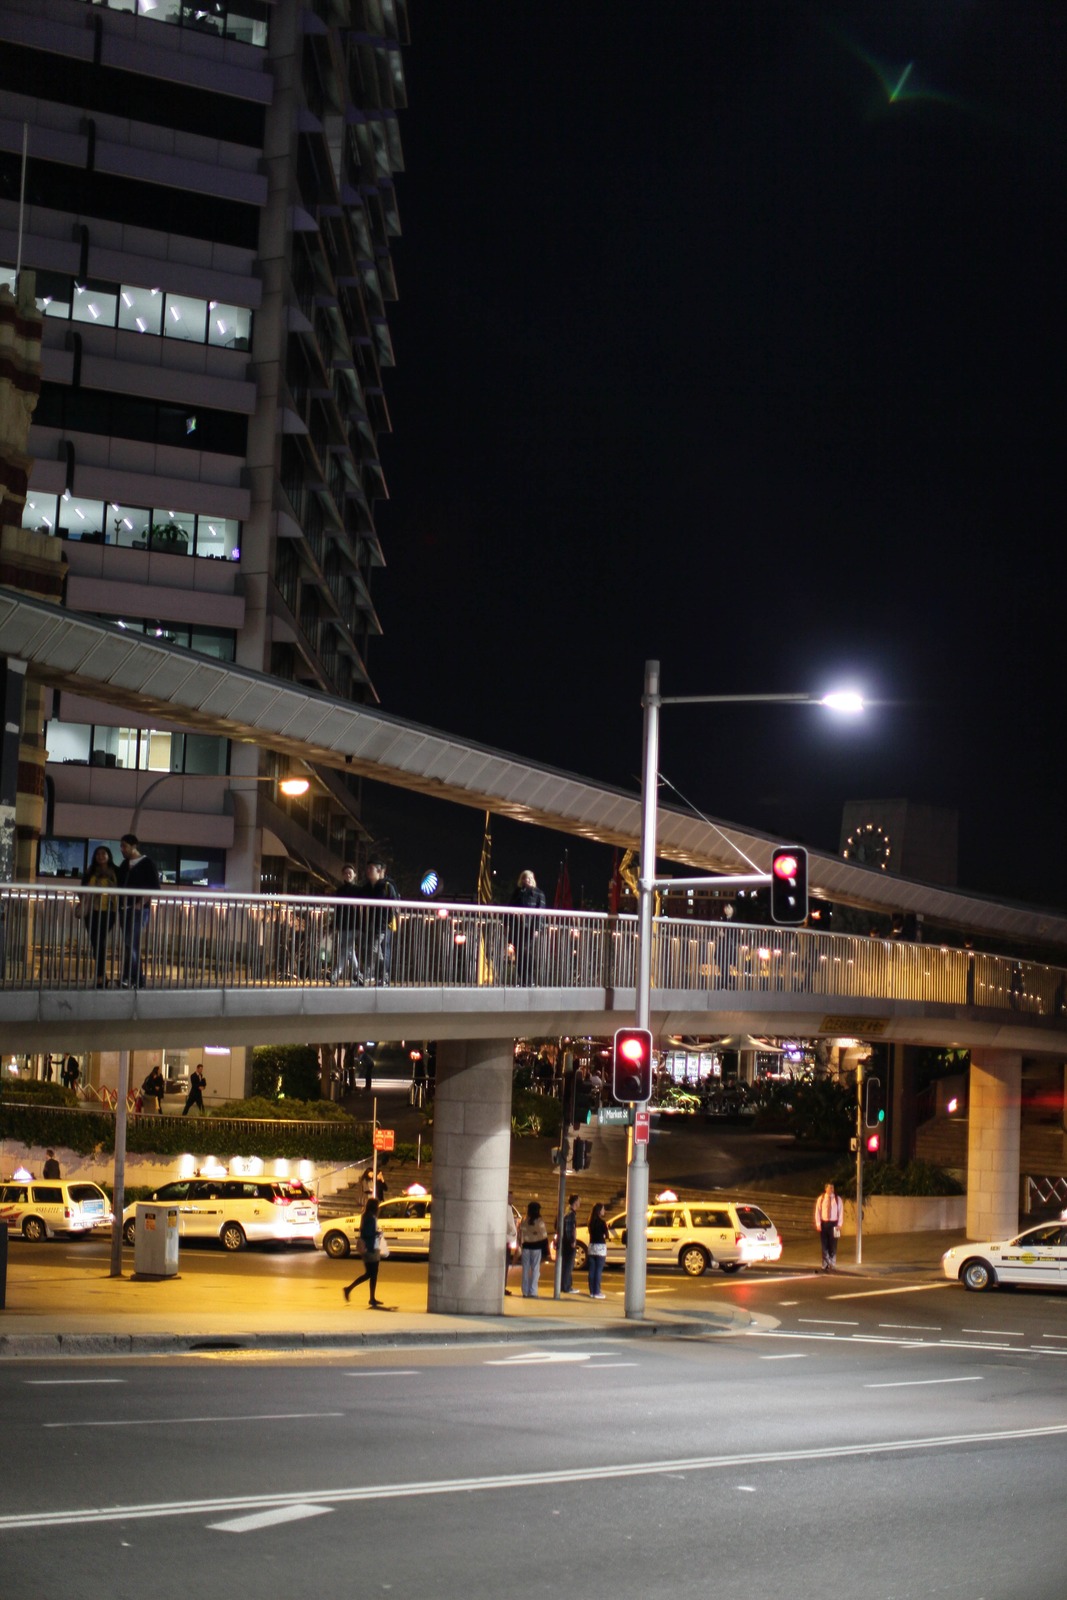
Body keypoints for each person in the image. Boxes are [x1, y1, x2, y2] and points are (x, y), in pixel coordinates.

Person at [116, 834, 160, 989]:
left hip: (138, 909)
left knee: (131, 943)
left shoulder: (147, 863)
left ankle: (132, 978)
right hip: (125, 909)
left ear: (133, 846)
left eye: (124, 846)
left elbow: (153, 886)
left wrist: (141, 904)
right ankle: (133, 978)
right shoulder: (124, 864)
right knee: (130, 944)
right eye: (121, 846)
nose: (122, 849)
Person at [81, 844, 118, 987]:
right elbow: (82, 889)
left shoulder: (115, 871)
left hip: (108, 911)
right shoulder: (90, 871)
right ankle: (101, 976)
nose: (101, 856)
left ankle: (101, 976)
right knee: (95, 943)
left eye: (104, 854)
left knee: (100, 942)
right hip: (91, 911)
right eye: (98, 854)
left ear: (109, 856)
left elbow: (119, 888)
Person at [358, 857, 400, 985]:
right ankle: (384, 976)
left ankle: (367, 974)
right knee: (378, 950)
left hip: (383, 924)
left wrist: (391, 919)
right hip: (372, 923)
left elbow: (395, 903)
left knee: (375, 948)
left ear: (379, 871)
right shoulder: (368, 887)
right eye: (368, 868)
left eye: (371, 869)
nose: (368, 871)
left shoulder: (386, 885)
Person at [343, 1196, 384, 1307]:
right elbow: (367, 1233)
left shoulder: (366, 1216)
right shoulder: (370, 1218)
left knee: (372, 1274)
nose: (378, 1208)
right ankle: (349, 1289)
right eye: (377, 1206)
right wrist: (377, 1233)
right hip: (370, 1248)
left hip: (369, 1247)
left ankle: (371, 1298)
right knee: (371, 1274)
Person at [512, 869, 546, 984]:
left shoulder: (538, 893)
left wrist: (537, 928)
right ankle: (522, 979)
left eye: (527, 878)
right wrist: (508, 924)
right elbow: (510, 907)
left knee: (527, 952)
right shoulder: (517, 892)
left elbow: (540, 913)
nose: (525, 880)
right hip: (518, 926)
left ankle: (529, 979)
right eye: (523, 878)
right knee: (519, 953)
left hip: (530, 927)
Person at [331, 864, 362, 984]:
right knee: (349, 950)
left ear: (354, 875)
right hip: (344, 924)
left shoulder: (358, 890)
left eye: (350, 873)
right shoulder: (340, 890)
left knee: (346, 949)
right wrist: (336, 923)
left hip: (354, 923)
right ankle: (358, 974)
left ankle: (335, 974)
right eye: (346, 873)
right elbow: (338, 908)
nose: (348, 875)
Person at [517, 1199, 549, 1297]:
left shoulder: (524, 1219)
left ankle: (525, 1291)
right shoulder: (539, 1221)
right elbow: (544, 1236)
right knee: (535, 1270)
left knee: (525, 1269)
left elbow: (519, 1234)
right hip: (536, 1248)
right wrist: (547, 1251)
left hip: (526, 1247)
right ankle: (533, 1291)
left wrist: (520, 1245)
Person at [814, 1181, 844, 1272]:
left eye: (833, 1188)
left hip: (834, 1224)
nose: (831, 1190)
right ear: (826, 1189)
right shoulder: (821, 1199)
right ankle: (825, 1263)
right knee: (824, 1245)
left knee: (834, 1244)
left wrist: (840, 1224)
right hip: (824, 1223)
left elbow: (841, 1212)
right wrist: (818, 1224)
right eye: (830, 1188)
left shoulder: (838, 1199)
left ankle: (833, 1263)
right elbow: (817, 1212)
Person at [586, 1202, 610, 1298]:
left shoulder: (590, 1222)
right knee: (598, 1270)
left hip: (591, 1246)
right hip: (600, 1247)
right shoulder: (602, 1222)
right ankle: (597, 1292)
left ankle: (592, 1291)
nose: (604, 1211)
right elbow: (607, 1235)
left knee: (592, 1270)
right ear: (599, 1211)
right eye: (603, 1209)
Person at [559, 1193, 581, 1294]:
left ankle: (564, 1285)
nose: (580, 1202)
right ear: (575, 1201)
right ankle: (566, 1286)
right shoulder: (571, 1214)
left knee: (565, 1265)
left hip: (564, 1242)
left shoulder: (566, 1211)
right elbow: (570, 1229)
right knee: (568, 1265)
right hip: (568, 1243)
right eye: (579, 1200)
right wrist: (572, 1241)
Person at [504, 1191, 519, 1296]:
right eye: (511, 1197)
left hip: (506, 1239)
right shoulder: (507, 1208)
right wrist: (514, 1233)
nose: (513, 1199)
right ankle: (503, 1286)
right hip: (507, 1239)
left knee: (505, 1264)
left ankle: (503, 1286)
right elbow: (510, 1224)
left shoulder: (507, 1207)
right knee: (505, 1264)